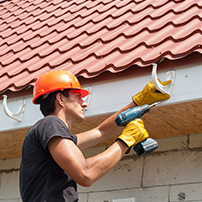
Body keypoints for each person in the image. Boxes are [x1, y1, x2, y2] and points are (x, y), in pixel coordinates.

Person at [19, 70, 171, 202]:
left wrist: (138, 103)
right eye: (78, 96)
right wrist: (127, 140)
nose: (84, 103)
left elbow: (101, 132)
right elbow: (86, 173)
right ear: (60, 99)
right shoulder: (50, 124)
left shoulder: (53, 137)